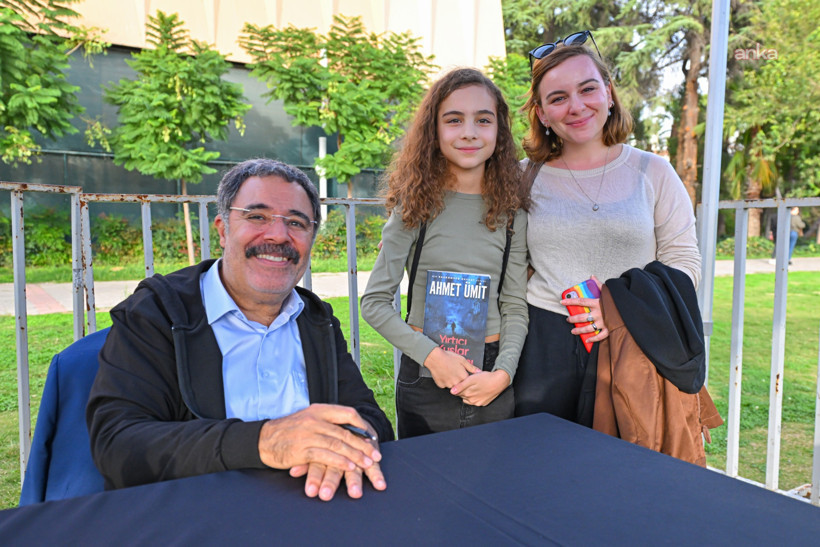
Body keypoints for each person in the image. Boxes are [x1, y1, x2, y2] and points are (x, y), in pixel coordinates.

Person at [87, 159, 393, 501]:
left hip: (309, 507)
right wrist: (265, 442)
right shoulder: (155, 313)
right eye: (257, 216)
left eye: (296, 222)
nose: (278, 235)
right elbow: (118, 444)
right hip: (192, 515)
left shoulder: (315, 319)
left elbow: (369, 418)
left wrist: (353, 441)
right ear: (222, 229)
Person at [513, 32, 701, 425]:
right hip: (544, 347)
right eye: (558, 98)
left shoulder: (654, 172)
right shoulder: (522, 178)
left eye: (587, 89)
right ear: (542, 114)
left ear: (609, 93)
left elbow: (683, 262)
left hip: (635, 339)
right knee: (544, 470)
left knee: (628, 473)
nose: (576, 106)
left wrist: (619, 307)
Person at [361, 68, 530, 438]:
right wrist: (433, 357)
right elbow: (374, 302)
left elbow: (515, 305)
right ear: (434, 131)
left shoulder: (512, 212)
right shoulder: (414, 205)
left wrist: (502, 375)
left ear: (499, 131)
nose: (469, 131)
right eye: (454, 120)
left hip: (491, 375)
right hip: (426, 374)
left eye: (483, 120)